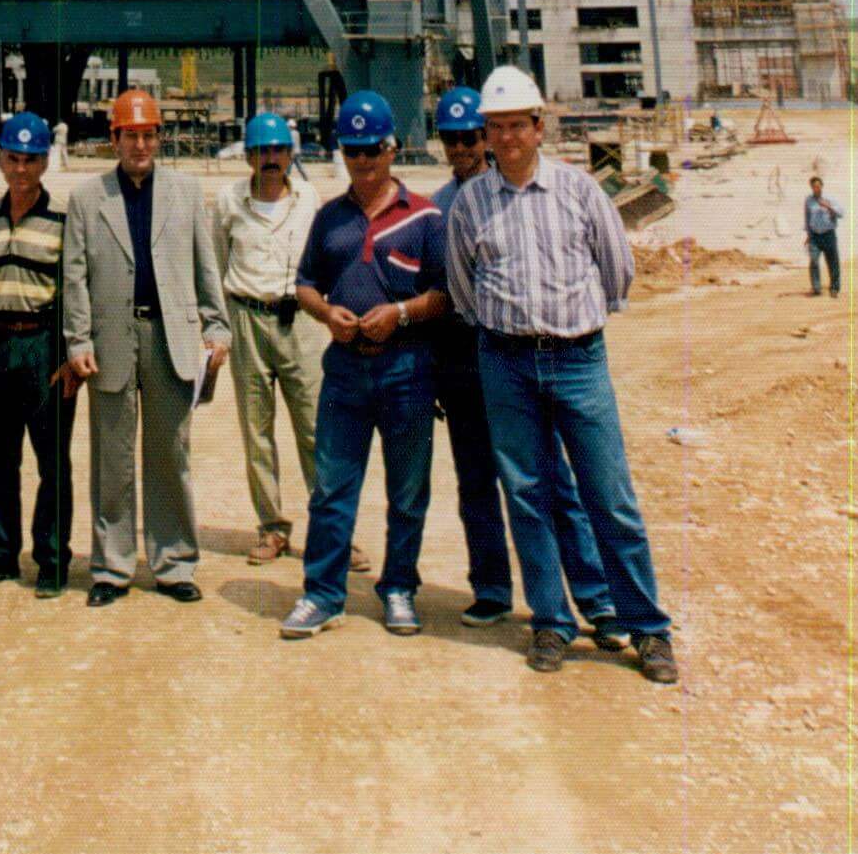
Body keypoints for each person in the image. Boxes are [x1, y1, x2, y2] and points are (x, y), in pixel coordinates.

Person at [446, 63, 678, 685]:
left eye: (516, 126)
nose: (506, 138)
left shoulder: (579, 191)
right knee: (527, 496)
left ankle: (647, 628)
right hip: (505, 360)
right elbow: (464, 288)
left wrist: (577, 322)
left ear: (538, 127)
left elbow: (617, 267)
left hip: (578, 359)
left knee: (609, 495)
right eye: (495, 128)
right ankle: (551, 620)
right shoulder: (471, 204)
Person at [431, 86, 625, 648]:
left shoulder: (522, 192)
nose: (463, 148)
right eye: (452, 139)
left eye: (472, 137)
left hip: (519, 358)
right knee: (478, 481)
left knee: (553, 482)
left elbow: (613, 272)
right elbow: (452, 289)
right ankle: (493, 588)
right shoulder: (440, 208)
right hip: (469, 363)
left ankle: (595, 597)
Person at [281, 90, 448, 641]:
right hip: (346, 372)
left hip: (407, 371)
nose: (362, 160)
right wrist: (326, 312)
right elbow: (305, 283)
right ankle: (322, 594)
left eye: (372, 149)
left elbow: (445, 295)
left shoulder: (424, 217)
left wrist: (399, 314)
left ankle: (398, 586)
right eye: (352, 150)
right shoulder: (330, 218)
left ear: (392, 148)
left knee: (407, 490)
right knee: (332, 487)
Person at [61, 87, 229, 606]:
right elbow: (75, 277)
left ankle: (175, 563)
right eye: (130, 135)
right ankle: (111, 568)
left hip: (169, 337)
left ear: (160, 137)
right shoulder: (87, 199)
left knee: (170, 454)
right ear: (113, 138)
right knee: (112, 457)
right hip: (111, 339)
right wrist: (77, 339)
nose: (140, 145)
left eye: (148, 135)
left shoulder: (185, 192)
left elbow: (206, 266)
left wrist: (217, 326)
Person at [0, 109, 75, 597]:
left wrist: (70, 355)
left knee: (52, 460)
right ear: (0, 159)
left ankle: (51, 559)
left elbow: (75, 292)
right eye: (13, 158)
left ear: (45, 162)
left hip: (44, 345)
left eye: (31, 159)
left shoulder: (63, 221)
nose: (21, 169)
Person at [213, 111, 326, 564]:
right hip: (248, 318)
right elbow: (218, 263)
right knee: (256, 431)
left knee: (315, 429)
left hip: (299, 322)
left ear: (291, 154)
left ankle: (332, 529)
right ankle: (271, 527)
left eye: (279, 150)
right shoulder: (229, 202)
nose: (271, 159)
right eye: (262, 151)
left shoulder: (309, 199)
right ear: (248, 156)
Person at [804, 175, 842, 296]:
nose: (817, 188)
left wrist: (829, 207)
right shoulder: (808, 200)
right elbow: (807, 218)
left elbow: (841, 213)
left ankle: (834, 288)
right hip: (815, 236)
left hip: (828, 235)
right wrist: (808, 234)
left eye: (818, 186)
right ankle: (816, 288)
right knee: (814, 260)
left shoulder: (830, 198)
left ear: (822, 186)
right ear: (811, 187)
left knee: (832, 262)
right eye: (814, 186)